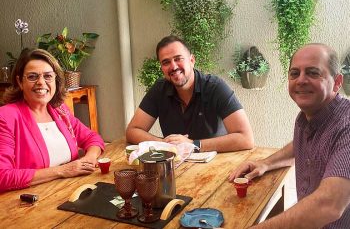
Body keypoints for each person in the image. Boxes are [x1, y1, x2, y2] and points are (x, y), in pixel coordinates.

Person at [228, 43, 350, 228]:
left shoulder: (346, 127)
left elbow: (329, 205)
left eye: (313, 72)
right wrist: (265, 163)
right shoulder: (306, 119)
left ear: (338, 82)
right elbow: (301, 146)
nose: (301, 80)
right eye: (294, 73)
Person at [0, 48, 105, 192]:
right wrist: (62, 171)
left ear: (55, 79)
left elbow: (92, 137)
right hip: (29, 202)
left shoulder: (60, 110)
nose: (41, 82)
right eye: (32, 77)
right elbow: (2, 176)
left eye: (48, 76)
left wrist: (90, 157)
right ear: (19, 82)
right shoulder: (6, 117)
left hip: (71, 191)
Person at [126, 35, 254, 152]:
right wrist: (164, 144)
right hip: (176, 167)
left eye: (178, 59)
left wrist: (193, 144)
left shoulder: (215, 88)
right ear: (162, 68)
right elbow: (132, 131)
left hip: (216, 166)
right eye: (166, 62)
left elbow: (246, 139)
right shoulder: (160, 89)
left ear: (192, 60)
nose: (173, 66)